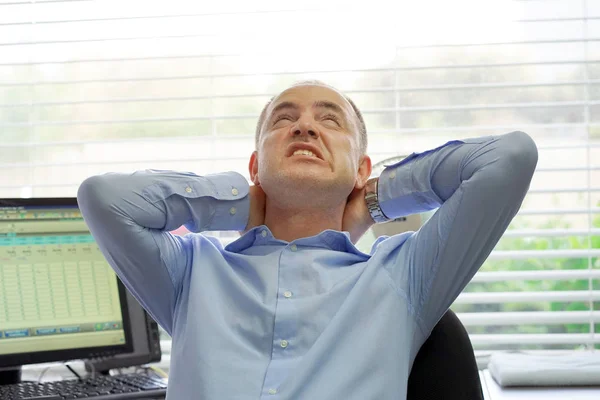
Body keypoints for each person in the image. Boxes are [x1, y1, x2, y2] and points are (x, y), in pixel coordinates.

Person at [77, 80, 538, 399]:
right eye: (284, 119)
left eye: (330, 121)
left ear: (360, 168)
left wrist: (375, 199)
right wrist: (238, 204)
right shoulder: (190, 273)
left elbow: (509, 158)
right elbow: (103, 198)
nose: (304, 127)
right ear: (255, 168)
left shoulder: (403, 276)